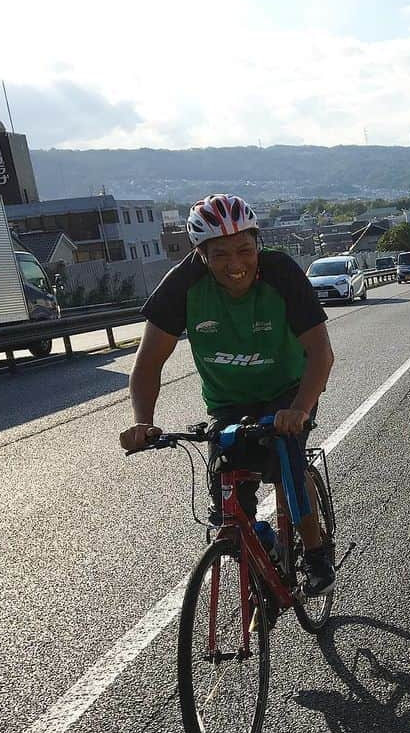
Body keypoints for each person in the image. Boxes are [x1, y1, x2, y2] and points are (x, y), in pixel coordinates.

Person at [119, 193, 337, 596]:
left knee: (286, 461)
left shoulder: (281, 273)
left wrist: (300, 409)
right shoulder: (183, 285)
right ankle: (260, 544)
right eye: (220, 254)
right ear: (201, 254)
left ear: (258, 243)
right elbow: (148, 363)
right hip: (228, 402)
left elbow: (320, 353)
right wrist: (142, 422)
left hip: (287, 391)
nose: (235, 264)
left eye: (244, 250)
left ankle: (315, 550)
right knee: (227, 509)